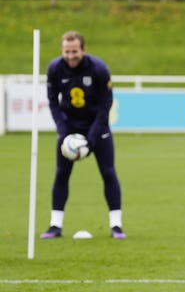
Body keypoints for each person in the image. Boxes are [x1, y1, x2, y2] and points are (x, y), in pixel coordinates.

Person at [40, 31, 126, 240]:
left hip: (97, 127)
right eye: (67, 52)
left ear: (83, 50)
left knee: (108, 173)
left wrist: (92, 137)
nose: (71, 56)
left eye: (75, 51)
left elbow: (105, 105)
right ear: (62, 51)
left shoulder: (99, 69)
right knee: (61, 174)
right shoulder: (54, 69)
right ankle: (55, 225)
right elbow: (53, 101)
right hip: (69, 128)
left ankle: (116, 225)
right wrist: (63, 131)